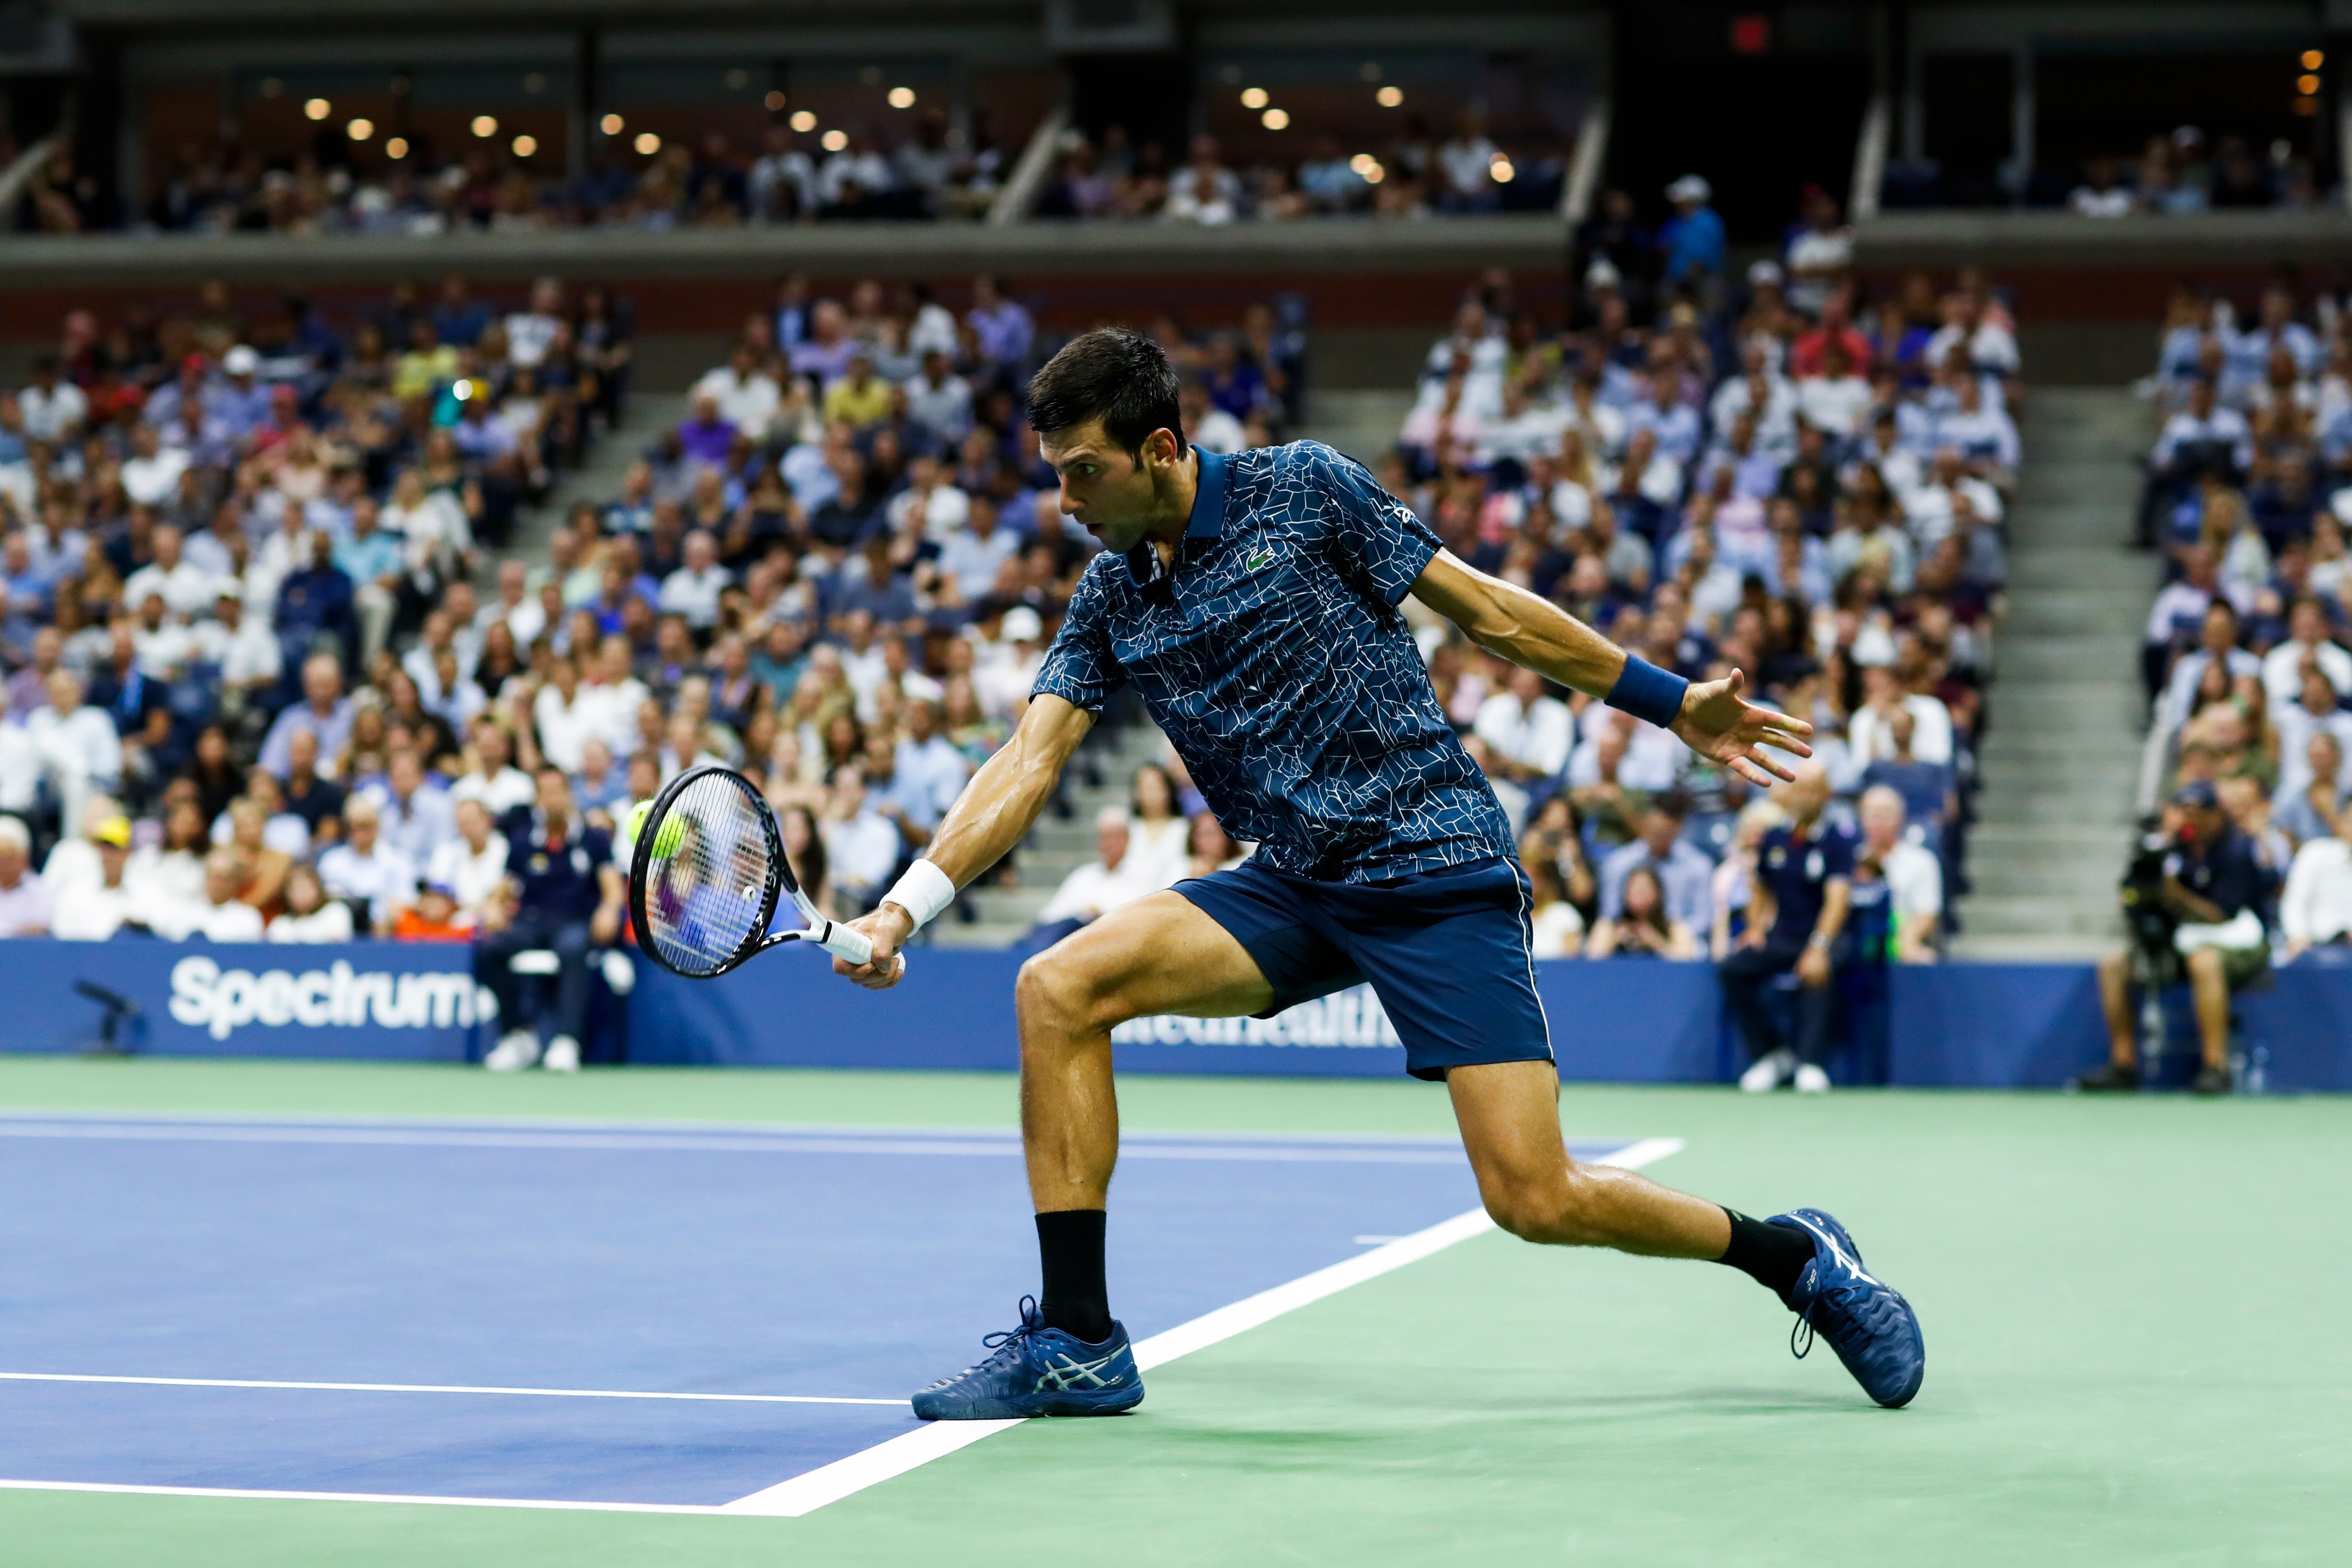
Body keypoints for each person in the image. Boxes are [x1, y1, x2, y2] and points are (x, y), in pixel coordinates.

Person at [823, 329, 1921, 1421]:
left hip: (1431, 863)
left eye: (1082, 472)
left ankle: (1792, 1256)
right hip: (1293, 883)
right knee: (1055, 989)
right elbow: (1029, 757)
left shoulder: (1301, 490)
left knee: (1532, 1197)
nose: (1063, 500)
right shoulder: (1112, 595)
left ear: (1158, 449)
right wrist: (902, 908)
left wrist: (1670, 701)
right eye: (1054, 474)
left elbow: (1486, 611)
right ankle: (1076, 1341)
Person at [2082, 780, 2274, 1094]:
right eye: (2185, 813)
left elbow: (2222, 916)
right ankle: (2123, 1065)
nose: (2192, 821)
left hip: (2236, 942)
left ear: (2217, 815)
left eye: (2198, 813)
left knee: (2205, 963)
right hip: (2180, 942)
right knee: (2113, 964)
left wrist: (2177, 895)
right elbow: (2136, 896)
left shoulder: (2237, 851)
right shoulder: (2171, 850)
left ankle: (2215, 1067)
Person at [475, 766, 625, 1074]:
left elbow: (612, 888)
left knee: (573, 948)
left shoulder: (593, 838)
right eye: (546, 793)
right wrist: (493, 906)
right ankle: (518, 1036)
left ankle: (567, 1041)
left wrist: (609, 910)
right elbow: (504, 888)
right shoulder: (522, 841)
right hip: (531, 924)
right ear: (537, 800)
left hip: (575, 922)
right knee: (489, 951)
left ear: (569, 795)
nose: (553, 799)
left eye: (559, 791)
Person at [1718, 763, 1854, 1095]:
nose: (1804, 797)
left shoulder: (1838, 840)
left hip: (1827, 937)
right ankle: (1770, 1055)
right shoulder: (1775, 838)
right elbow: (1761, 887)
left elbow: (1837, 900)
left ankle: (1810, 1063)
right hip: (1783, 936)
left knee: (1816, 970)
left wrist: (1819, 947)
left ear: (1826, 795)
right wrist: (1755, 928)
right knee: (1733, 970)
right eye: (1799, 790)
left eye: (1812, 790)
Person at [1586, 864, 1697, 959]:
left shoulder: (1674, 927)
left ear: (1659, 894)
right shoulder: (1608, 926)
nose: (1640, 894)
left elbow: (1686, 960)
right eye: (1635, 889)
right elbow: (1593, 959)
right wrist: (1616, 939)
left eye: (1645, 889)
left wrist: (1654, 940)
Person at [0, 814, 53, 935]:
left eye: (9, 857)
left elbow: (41, 929)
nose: (3, 864)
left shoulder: (43, 892)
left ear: (24, 857)